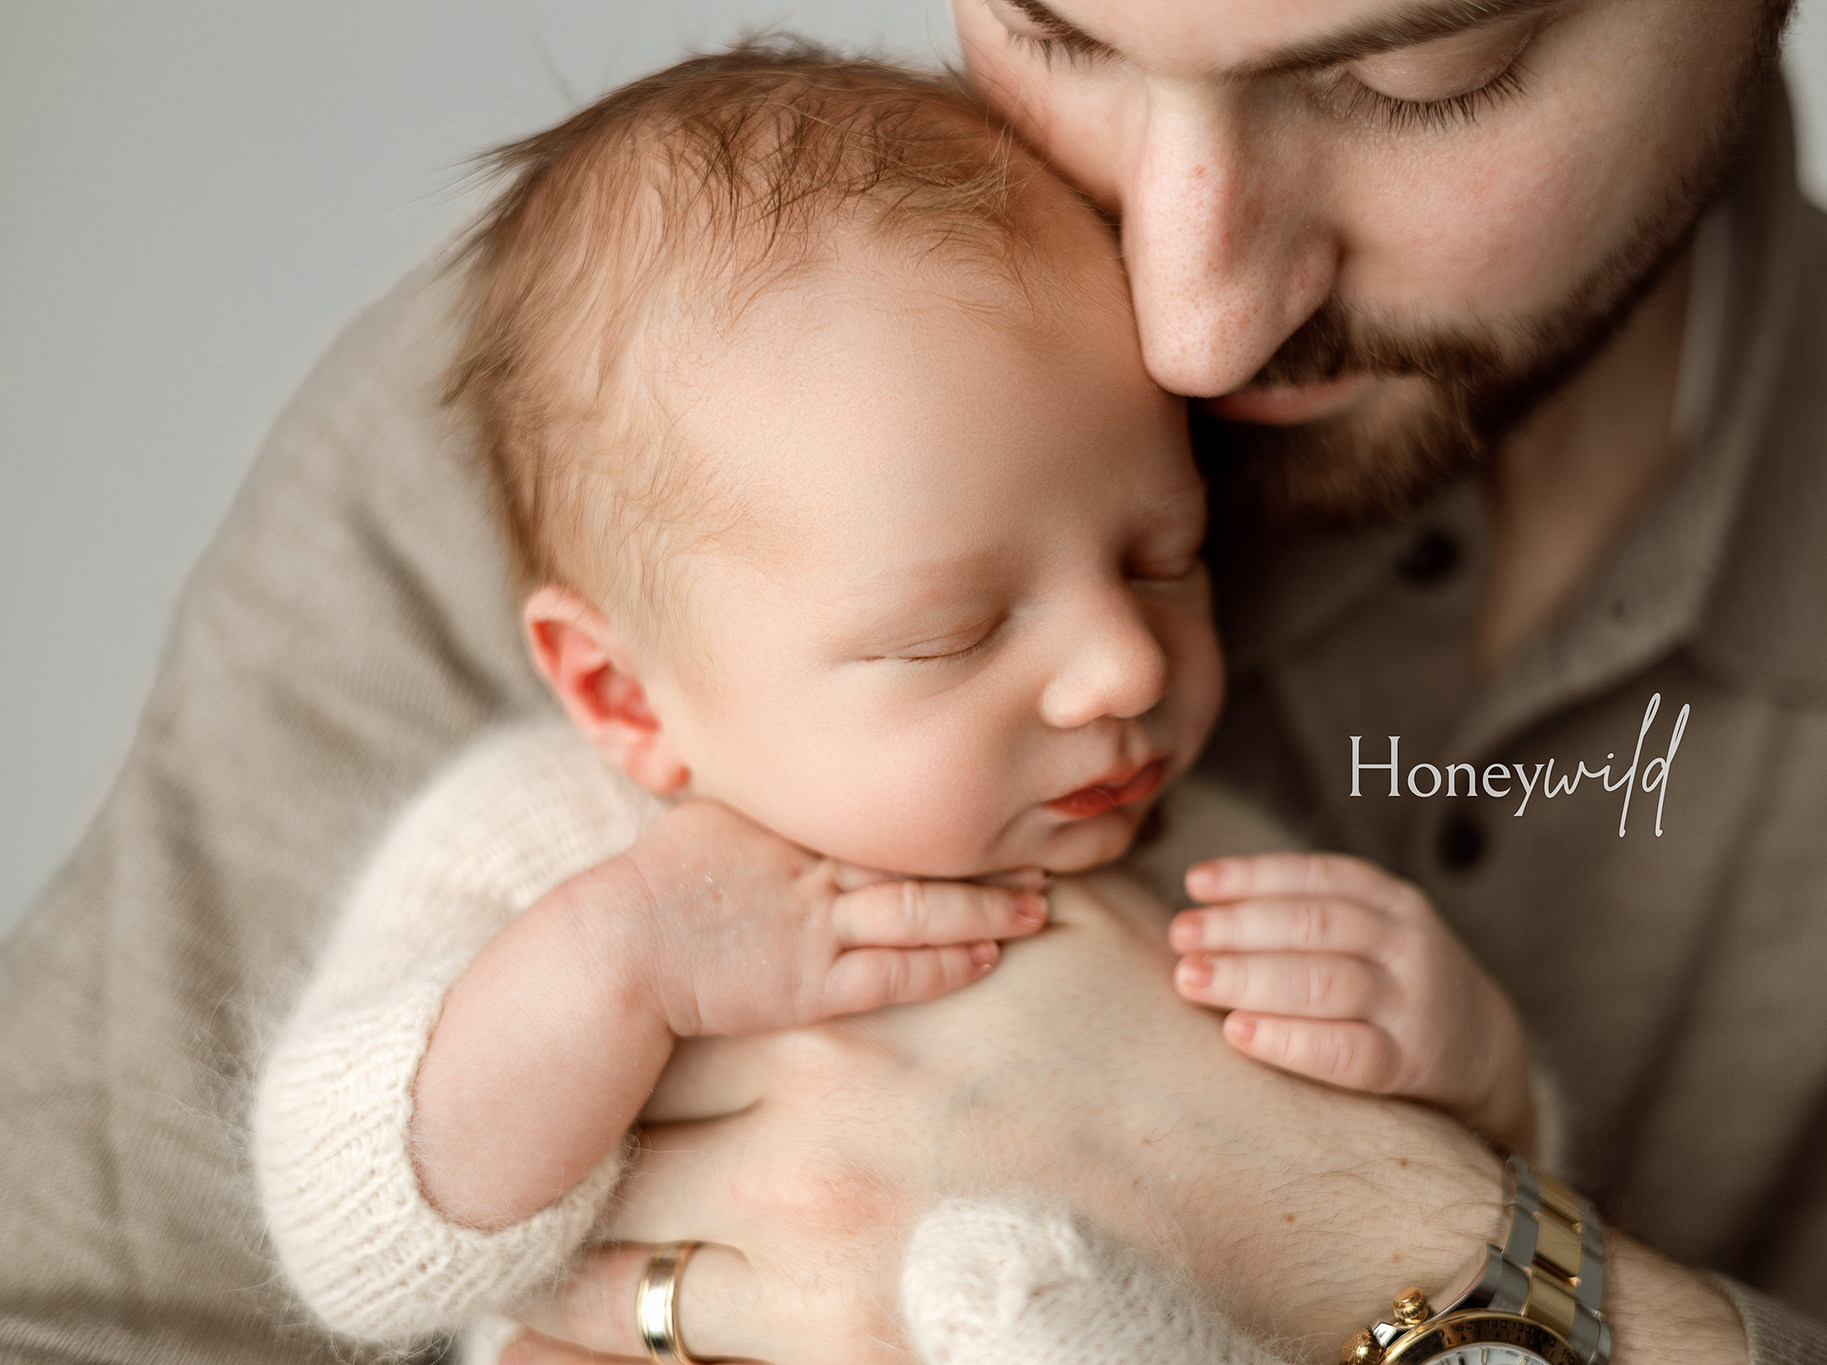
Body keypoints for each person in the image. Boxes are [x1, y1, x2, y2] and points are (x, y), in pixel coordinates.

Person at [1, 1, 1827, 1363]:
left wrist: (1419, 1199)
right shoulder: (643, 414)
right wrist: (596, 982)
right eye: (1059, 21)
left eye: (1420, 71)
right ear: (616, 691)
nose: (1188, 305)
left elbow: (1385, 1133)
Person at [248, 49, 1547, 1348]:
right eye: (957, 629)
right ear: (623, 693)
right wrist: (613, 968)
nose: (1129, 664)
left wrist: (1478, 1067)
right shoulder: (544, 844)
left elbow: (1425, 1213)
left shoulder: (1201, 871)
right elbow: (346, 1228)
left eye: (1164, 559)